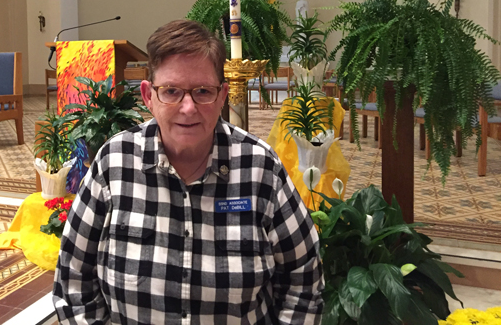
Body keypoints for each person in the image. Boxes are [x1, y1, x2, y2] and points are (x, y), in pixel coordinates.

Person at [53, 19, 323, 324]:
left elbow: (303, 281)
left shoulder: (261, 169)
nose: (188, 107)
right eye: (171, 91)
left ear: (222, 97)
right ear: (148, 96)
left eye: (203, 91)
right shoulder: (113, 164)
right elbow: (74, 280)